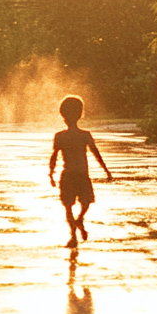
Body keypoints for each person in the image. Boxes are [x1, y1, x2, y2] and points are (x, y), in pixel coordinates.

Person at [50, 95, 112, 247]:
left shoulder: (60, 136)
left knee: (68, 206)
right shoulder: (84, 135)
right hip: (82, 174)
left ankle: (73, 236)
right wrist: (106, 170)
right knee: (86, 202)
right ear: (80, 115)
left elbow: (54, 156)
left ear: (63, 116)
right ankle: (80, 220)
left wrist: (51, 173)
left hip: (68, 175)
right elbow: (96, 153)